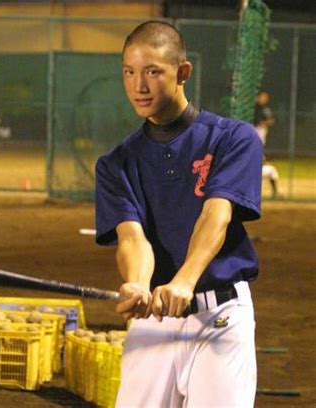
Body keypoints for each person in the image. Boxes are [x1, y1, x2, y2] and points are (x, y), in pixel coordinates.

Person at [95, 21, 263, 407]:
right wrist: (138, 283)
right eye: (130, 72)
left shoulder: (233, 138)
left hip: (219, 317)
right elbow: (132, 237)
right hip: (155, 319)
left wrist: (185, 281)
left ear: (182, 73)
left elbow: (215, 216)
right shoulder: (116, 164)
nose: (139, 85)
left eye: (153, 71)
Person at [254, 91, 279, 198]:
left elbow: (271, 120)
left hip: (257, 151)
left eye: (266, 97)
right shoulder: (255, 109)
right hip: (251, 169)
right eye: (262, 97)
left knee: (271, 171)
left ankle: (275, 194)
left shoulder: (266, 110)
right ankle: (274, 194)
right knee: (272, 172)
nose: (265, 99)